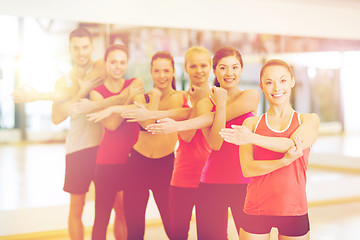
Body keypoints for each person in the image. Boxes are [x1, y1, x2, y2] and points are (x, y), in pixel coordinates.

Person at [146, 47, 259, 240]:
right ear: (215, 71)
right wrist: (219, 105)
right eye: (223, 68)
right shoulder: (205, 104)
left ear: (241, 69)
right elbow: (215, 144)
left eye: (234, 67)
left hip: (244, 182)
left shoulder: (250, 96)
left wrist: (219, 107)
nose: (229, 73)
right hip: (211, 183)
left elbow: (211, 118)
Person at [49, 28, 141, 240]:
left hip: (107, 149)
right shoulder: (64, 81)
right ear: (70, 49)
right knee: (77, 207)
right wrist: (82, 91)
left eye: (85, 47)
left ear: (92, 47)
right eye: (76, 48)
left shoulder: (103, 69)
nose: (81, 52)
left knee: (121, 208)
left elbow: (122, 72)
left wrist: (101, 102)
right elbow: (56, 117)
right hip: (79, 148)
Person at [220, 59, 320, 240]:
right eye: (269, 82)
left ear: (292, 81)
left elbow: (291, 144)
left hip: (293, 208)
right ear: (262, 86)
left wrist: (252, 138)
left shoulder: (309, 120)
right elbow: (248, 169)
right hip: (256, 207)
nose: (276, 88)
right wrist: (284, 161)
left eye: (282, 80)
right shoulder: (251, 123)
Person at [124, 51, 187, 240]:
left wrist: (157, 96)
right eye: (157, 71)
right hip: (137, 165)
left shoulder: (179, 98)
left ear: (174, 72)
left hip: (165, 167)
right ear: (151, 72)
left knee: (174, 228)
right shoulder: (142, 98)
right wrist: (156, 96)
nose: (162, 76)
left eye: (166, 70)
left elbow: (156, 122)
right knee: (134, 231)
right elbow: (147, 126)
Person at [88, 44, 143, 240]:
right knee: (102, 217)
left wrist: (120, 102)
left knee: (124, 215)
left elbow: (137, 112)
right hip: (107, 162)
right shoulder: (97, 93)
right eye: (113, 62)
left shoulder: (136, 81)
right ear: (106, 63)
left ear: (127, 64)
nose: (118, 66)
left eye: (122, 62)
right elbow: (111, 124)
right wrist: (127, 96)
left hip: (131, 160)